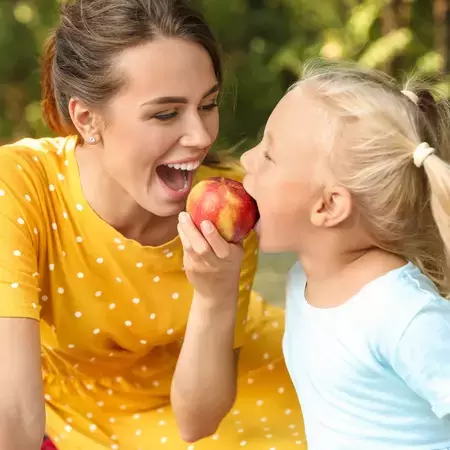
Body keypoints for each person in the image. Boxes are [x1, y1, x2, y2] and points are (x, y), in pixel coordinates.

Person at [0, 0, 305, 449]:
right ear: (87, 119)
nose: (201, 137)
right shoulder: (21, 185)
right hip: (84, 411)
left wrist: (215, 296)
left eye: (208, 105)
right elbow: (15, 409)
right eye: (165, 113)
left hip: (231, 390)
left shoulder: (230, 207)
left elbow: (198, 423)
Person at [241, 59, 450, 450]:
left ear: (328, 205)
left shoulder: (402, 312)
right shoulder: (304, 281)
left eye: (268, 156)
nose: (246, 160)